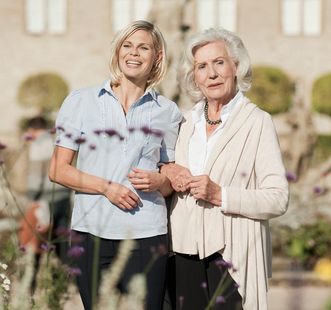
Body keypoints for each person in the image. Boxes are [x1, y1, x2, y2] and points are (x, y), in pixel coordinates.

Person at [49, 20, 182, 310]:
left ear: (157, 56)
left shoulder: (168, 111)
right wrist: (107, 188)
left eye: (143, 47)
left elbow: (170, 176)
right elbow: (58, 170)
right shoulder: (81, 101)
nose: (134, 53)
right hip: (91, 231)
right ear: (118, 51)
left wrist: (161, 182)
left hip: (147, 233)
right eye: (127, 45)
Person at [161, 28, 289, 310]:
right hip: (181, 255)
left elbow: (278, 198)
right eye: (202, 66)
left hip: (233, 258)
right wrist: (168, 169)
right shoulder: (183, 123)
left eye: (219, 62)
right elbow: (164, 166)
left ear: (236, 67)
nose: (212, 73)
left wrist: (220, 194)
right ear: (194, 75)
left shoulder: (257, 122)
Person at [19, 116, 71, 287]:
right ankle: (73, 278)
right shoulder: (56, 141)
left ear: (33, 130)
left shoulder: (38, 144)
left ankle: (30, 283)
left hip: (46, 201)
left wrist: (30, 201)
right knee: (61, 241)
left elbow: (36, 179)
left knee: (35, 242)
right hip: (63, 198)